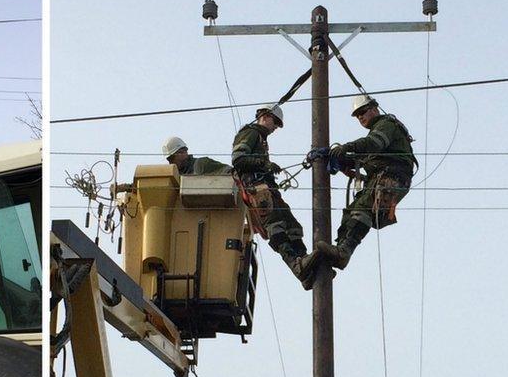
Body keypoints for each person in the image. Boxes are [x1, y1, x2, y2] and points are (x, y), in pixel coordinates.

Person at [315, 94, 417, 269]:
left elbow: (373, 143)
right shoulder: (378, 131)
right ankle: (339, 250)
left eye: (362, 112)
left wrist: (345, 148)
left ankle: (343, 252)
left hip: (392, 176)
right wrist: (341, 160)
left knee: (362, 209)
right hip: (382, 177)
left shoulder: (386, 125)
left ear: (374, 108)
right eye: (357, 115)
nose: (360, 117)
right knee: (352, 212)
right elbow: (365, 158)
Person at [231, 104, 317, 288]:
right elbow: (238, 159)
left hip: (268, 189)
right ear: (264, 116)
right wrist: (264, 164)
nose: (275, 127)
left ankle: (305, 264)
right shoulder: (251, 132)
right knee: (276, 226)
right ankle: (297, 265)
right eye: (275, 122)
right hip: (257, 189)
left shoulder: (261, 139)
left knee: (293, 226)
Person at [162, 136, 230, 176]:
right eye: (170, 160)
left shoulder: (200, 164)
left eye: (183, 152)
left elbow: (229, 171)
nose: (171, 163)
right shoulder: (175, 178)